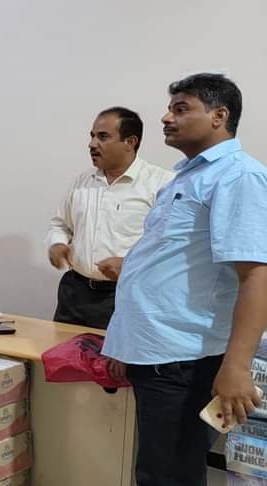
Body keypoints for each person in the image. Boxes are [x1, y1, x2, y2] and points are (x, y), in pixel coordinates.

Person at [103, 73, 267, 485]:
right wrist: (125, 343)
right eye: (169, 109)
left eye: (180, 109)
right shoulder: (186, 176)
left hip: (185, 362)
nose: (166, 118)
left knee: (168, 475)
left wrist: (237, 367)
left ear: (219, 116)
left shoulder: (238, 176)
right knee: (157, 470)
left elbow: (256, 276)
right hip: (157, 354)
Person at [46, 107, 173, 329]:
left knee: (115, 353)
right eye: (92, 136)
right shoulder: (82, 181)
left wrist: (130, 264)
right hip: (74, 291)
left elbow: (173, 246)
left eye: (103, 137)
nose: (92, 144)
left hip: (127, 294)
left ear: (130, 142)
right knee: (62, 350)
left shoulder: (162, 184)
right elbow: (61, 224)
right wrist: (57, 243)